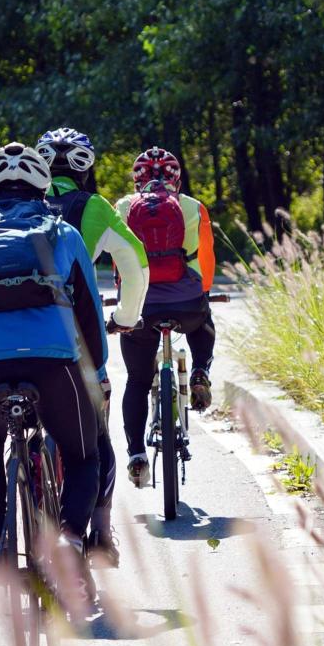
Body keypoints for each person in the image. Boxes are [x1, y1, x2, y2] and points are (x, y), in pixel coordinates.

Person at [0, 142, 105, 575]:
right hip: (55, 363)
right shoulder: (64, 234)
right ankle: (71, 539)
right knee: (83, 454)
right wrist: (97, 372)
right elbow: (89, 313)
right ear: (43, 187)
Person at [36, 126, 149, 565]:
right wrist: (126, 318)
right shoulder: (94, 207)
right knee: (96, 435)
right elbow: (135, 265)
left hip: (8, 342)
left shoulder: (11, 205)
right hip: (76, 341)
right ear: (85, 169)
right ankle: (99, 532)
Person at [115, 147, 217, 488]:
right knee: (202, 317)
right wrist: (201, 293)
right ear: (177, 179)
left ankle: (136, 455)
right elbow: (206, 262)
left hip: (140, 309)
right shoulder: (194, 207)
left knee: (137, 381)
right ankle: (200, 371)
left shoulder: (123, 207)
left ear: (136, 180)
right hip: (186, 305)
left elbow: (118, 264)